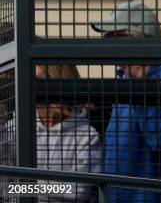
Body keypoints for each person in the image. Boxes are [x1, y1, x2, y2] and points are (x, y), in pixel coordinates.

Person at [91, 1, 161, 203]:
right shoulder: (124, 78)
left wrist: (141, 88)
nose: (107, 45)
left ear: (136, 40)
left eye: (114, 38)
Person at [1, 65, 102, 203]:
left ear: (58, 82)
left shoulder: (87, 135)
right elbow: (3, 186)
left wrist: (22, 187)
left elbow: (78, 191)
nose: (28, 86)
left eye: (37, 80)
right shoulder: (15, 128)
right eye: (26, 79)